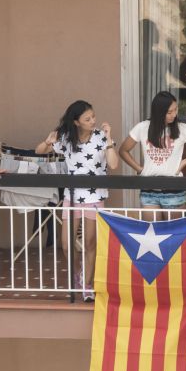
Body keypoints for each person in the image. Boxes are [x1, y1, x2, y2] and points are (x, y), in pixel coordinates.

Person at [36, 99, 118, 299]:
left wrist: (109, 140)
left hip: (95, 195)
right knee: (66, 244)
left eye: (93, 117)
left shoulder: (100, 136)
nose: (93, 121)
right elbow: (39, 152)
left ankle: (87, 285)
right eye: (87, 119)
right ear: (76, 122)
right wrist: (48, 141)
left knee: (90, 243)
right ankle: (79, 274)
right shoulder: (66, 138)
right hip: (71, 197)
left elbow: (114, 164)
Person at [119, 90, 186, 213]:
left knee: (173, 231)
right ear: (159, 112)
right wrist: (139, 169)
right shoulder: (143, 127)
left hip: (174, 187)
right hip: (149, 189)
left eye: (176, 110)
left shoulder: (182, 128)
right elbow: (123, 150)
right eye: (169, 112)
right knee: (153, 231)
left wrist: (185, 161)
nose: (174, 115)